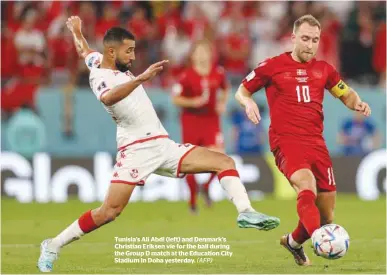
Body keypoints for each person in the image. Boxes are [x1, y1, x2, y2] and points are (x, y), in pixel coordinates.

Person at [37, 16, 280, 273]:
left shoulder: (98, 59)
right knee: (108, 212)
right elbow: (109, 97)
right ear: (112, 51)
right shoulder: (100, 76)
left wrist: (77, 30)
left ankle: (245, 211)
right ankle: (52, 244)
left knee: (224, 162)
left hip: (163, 146)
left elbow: (84, 50)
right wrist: (140, 78)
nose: (132, 56)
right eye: (128, 51)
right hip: (135, 151)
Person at [235, 14, 371, 266]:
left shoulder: (324, 70)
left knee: (326, 214)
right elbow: (242, 91)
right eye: (305, 38)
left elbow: (345, 93)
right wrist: (249, 101)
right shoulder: (271, 66)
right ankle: (320, 238)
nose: (310, 45)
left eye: (315, 40)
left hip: (316, 143)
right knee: (305, 185)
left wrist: (357, 103)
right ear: (293, 37)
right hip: (285, 141)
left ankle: (293, 242)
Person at [171, 40, 229, 213]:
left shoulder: (218, 73)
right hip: (191, 120)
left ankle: (205, 187)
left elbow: (225, 89)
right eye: (199, 51)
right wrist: (193, 102)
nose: (203, 54)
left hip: (211, 120)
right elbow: (175, 99)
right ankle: (192, 200)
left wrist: (222, 103)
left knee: (220, 157)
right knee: (190, 161)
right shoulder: (186, 75)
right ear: (193, 55)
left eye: (206, 51)